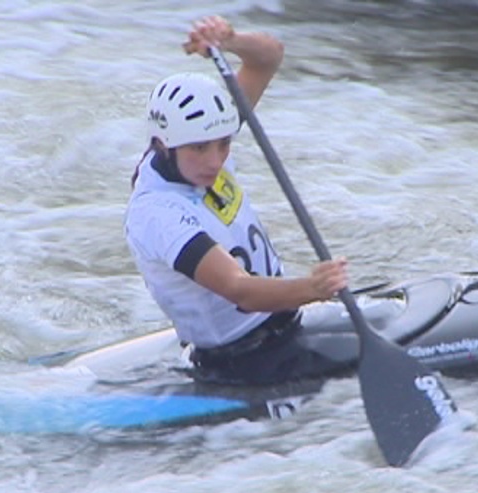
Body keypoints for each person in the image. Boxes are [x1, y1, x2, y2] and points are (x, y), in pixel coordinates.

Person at [125, 16, 355, 386]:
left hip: (286, 323)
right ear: (162, 146)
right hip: (245, 360)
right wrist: (311, 289)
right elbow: (240, 290)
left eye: (224, 144)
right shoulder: (158, 214)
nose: (216, 161)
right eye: (200, 149)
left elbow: (269, 58)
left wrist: (230, 40)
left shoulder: (203, 140)